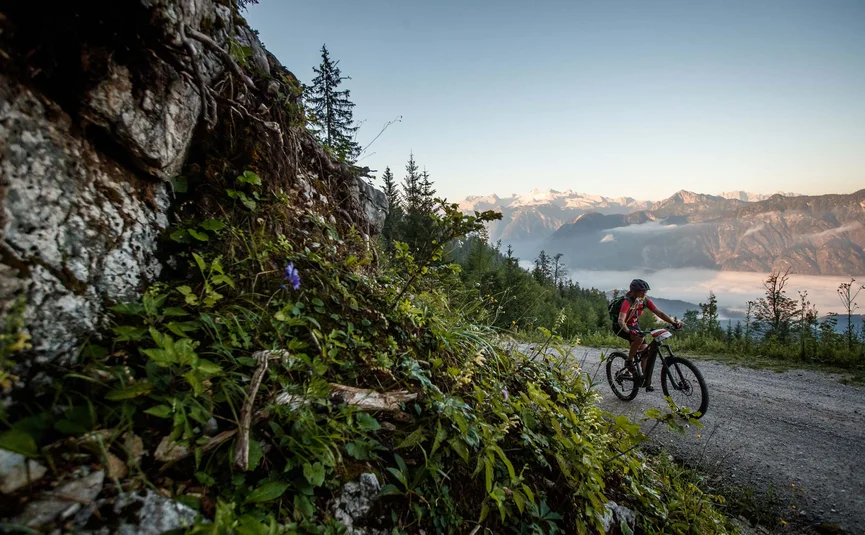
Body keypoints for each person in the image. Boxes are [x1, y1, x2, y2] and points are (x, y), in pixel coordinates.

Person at [612, 279, 682, 391]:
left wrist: (672, 322)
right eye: (641, 291)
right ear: (634, 291)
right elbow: (621, 320)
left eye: (645, 291)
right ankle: (629, 361)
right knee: (640, 338)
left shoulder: (644, 301)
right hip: (621, 327)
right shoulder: (627, 302)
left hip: (634, 326)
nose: (644, 293)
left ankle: (645, 379)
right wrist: (628, 330)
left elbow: (659, 313)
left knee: (645, 353)